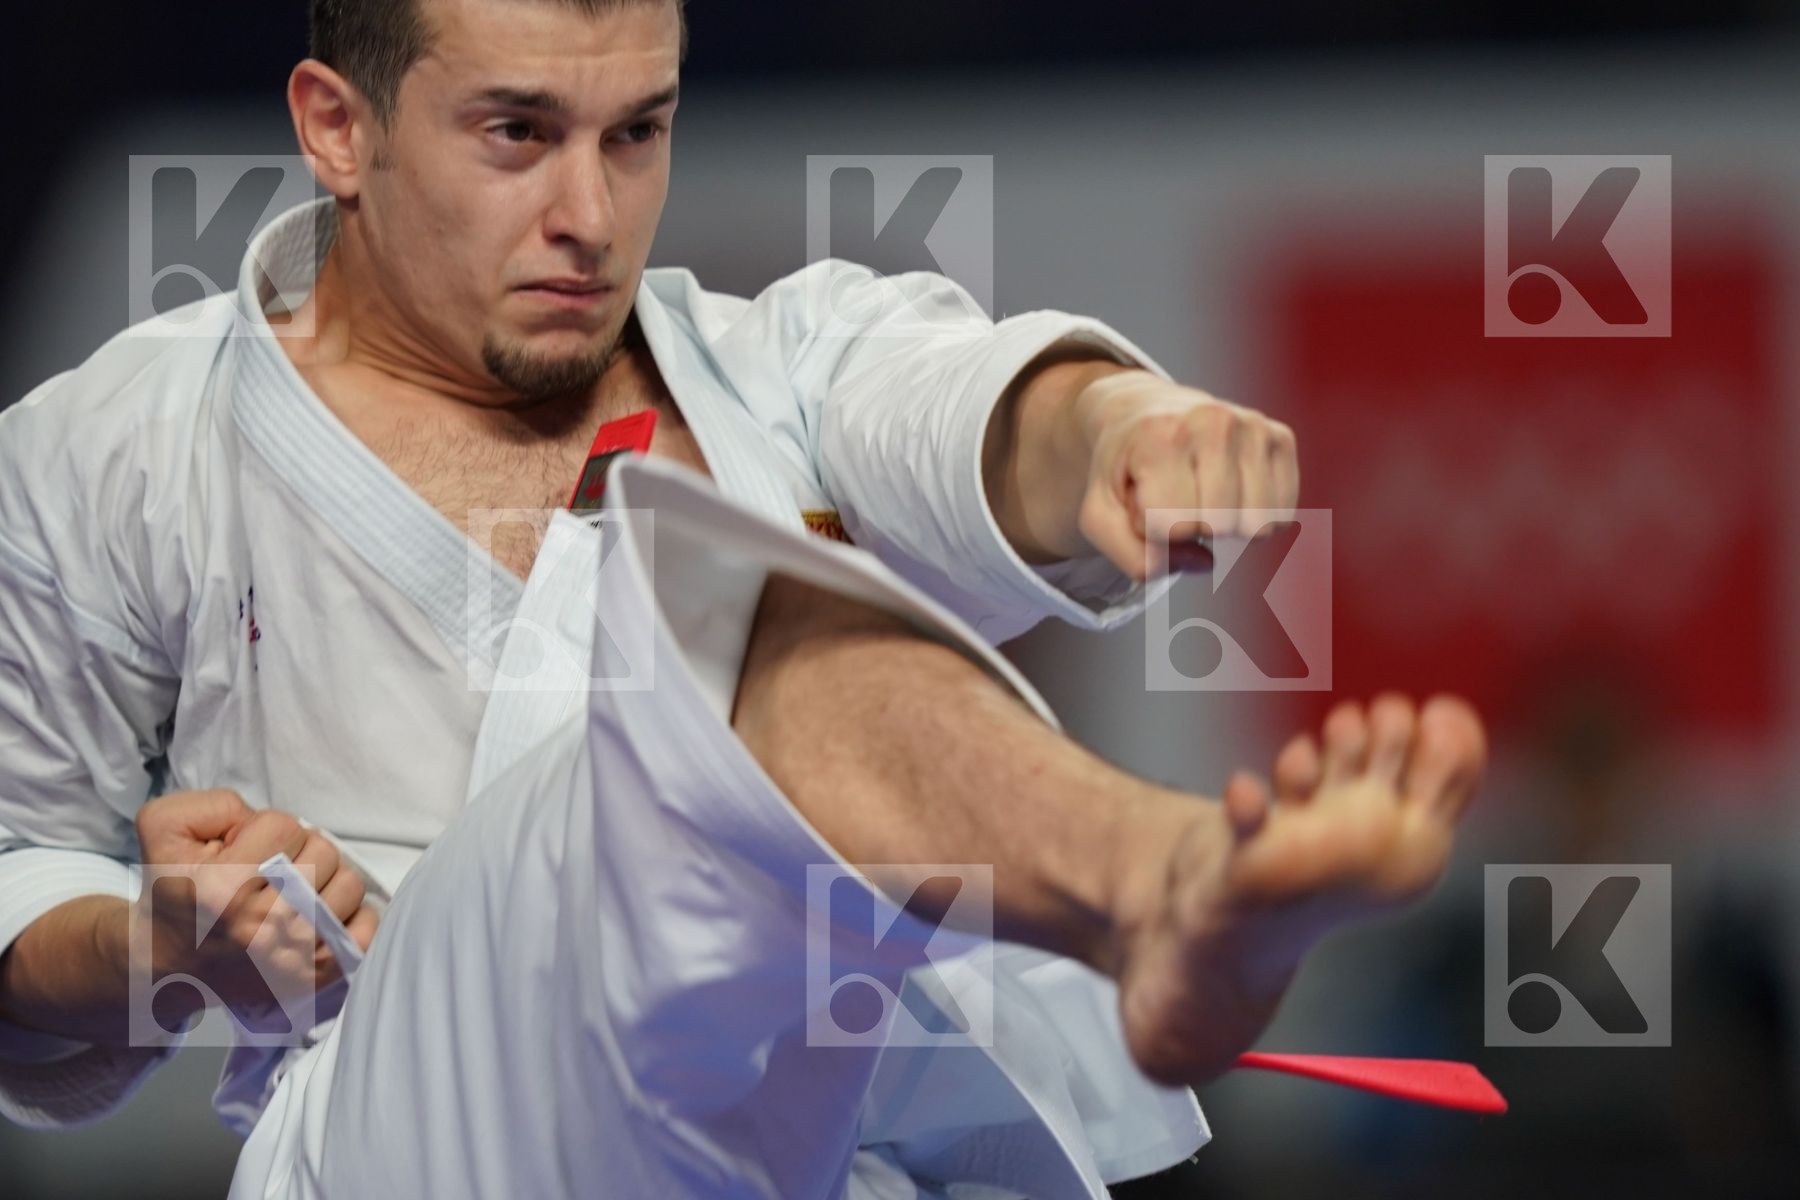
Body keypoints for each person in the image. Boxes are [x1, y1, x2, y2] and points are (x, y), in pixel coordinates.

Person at [0, 0, 1485, 1194]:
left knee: (756, 605)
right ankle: (1164, 883)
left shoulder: (780, 361)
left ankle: (1167, 896)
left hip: (840, 1144)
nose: (590, 211)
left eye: (636, 132)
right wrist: (158, 946)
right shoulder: (118, 450)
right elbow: (18, 916)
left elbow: (965, 404)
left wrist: (1121, 434)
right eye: (516, 133)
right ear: (338, 125)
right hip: (423, 1121)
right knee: (716, 625)